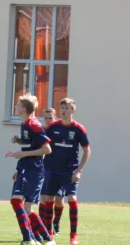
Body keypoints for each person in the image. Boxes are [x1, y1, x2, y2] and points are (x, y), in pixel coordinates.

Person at [6, 94, 55, 245]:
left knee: (19, 203)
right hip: (25, 168)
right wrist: (19, 140)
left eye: (18, 105)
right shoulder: (25, 125)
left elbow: (47, 149)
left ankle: (30, 239)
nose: (15, 107)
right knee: (23, 205)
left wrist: (22, 154)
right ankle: (44, 239)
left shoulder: (34, 125)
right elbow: (32, 143)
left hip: (33, 169)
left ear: (24, 109)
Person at [41, 98, 91, 245]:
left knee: (72, 199)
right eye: (62, 108)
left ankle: (73, 236)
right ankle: (49, 234)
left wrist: (79, 170)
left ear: (73, 110)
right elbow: (39, 141)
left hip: (69, 171)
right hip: (52, 169)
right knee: (49, 199)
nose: (63, 111)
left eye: (67, 108)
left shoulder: (78, 129)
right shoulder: (52, 127)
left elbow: (87, 151)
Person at [39, 108, 65, 236]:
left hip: (60, 168)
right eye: (46, 118)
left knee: (59, 199)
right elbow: (34, 143)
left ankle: (56, 222)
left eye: (51, 118)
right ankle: (41, 225)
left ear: (55, 117)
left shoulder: (59, 130)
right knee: (43, 198)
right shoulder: (43, 131)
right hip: (46, 167)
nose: (48, 120)